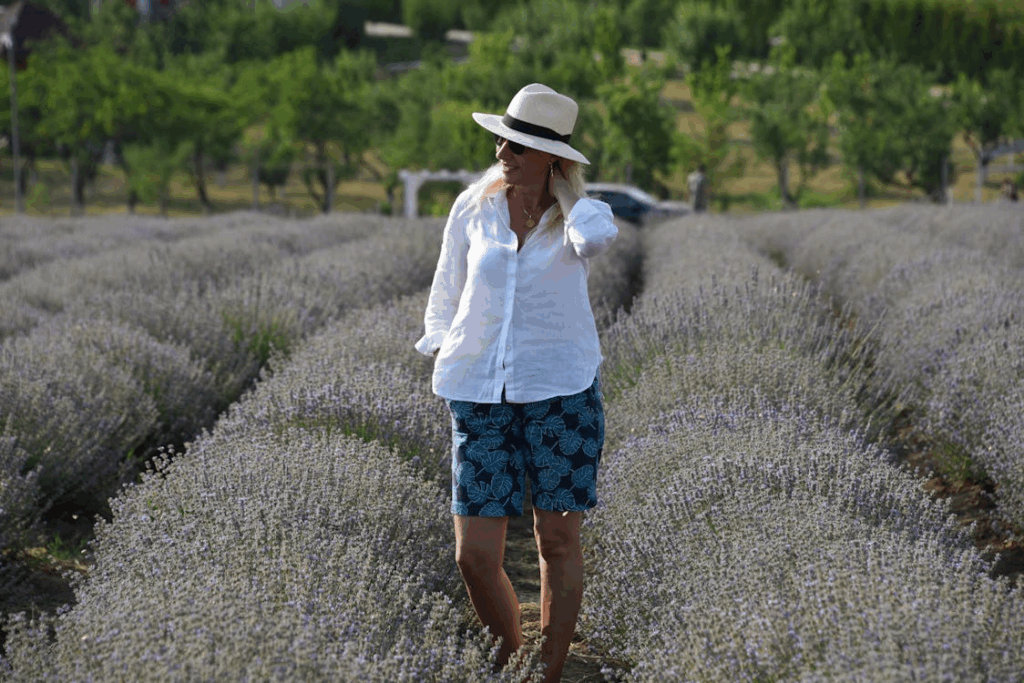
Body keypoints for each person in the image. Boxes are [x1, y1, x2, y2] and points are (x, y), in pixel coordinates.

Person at [415, 83, 618, 682]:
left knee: (555, 541)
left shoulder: (584, 215)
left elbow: (593, 242)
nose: (504, 150)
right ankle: (510, 653)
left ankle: (549, 671)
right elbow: (446, 285)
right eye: (504, 138)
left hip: (560, 390)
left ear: (553, 157)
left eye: (522, 145)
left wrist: (561, 193)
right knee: (474, 555)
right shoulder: (471, 206)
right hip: (479, 393)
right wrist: (440, 343)